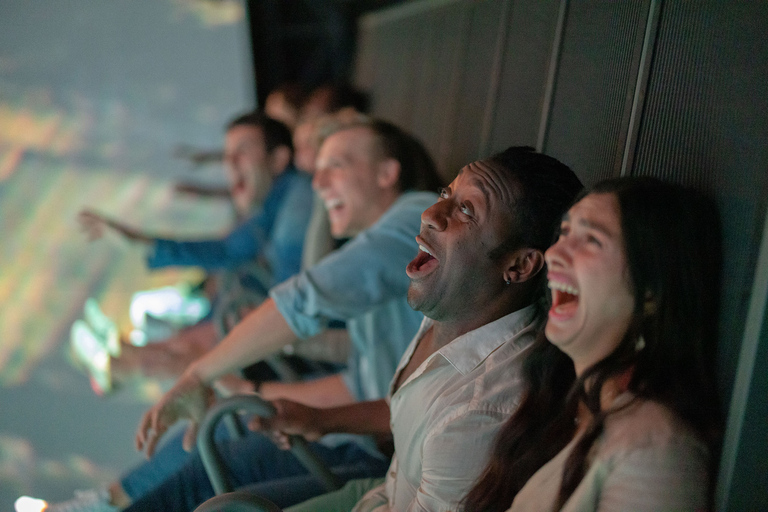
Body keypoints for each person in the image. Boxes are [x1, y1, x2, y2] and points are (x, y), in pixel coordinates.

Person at [70, 119, 441, 512]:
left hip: (385, 451)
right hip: (374, 436)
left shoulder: (413, 219)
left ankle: (104, 500)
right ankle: (105, 501)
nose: (317, 182)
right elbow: (362, 380)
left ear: (387, 173)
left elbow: (304, 298)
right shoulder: (390, 244)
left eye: (337, 165)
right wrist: (246, 392)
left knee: (211, 469)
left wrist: (199, 375)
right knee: (218, 446)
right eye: (318, 169)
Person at [260, 147, 583, 512]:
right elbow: (417, 415)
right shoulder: (455, 304)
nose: (430, 213)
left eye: (466, 210)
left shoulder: (481, 412)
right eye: (447, 194)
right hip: (380, 491)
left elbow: (446, 423)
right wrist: (321, 419)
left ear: (521, 264)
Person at [462, 177, 723, 512]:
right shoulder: (562, 400)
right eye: (565, 234)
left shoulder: (654, 449)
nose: (553, 253)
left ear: (651, 293)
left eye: (591, 240)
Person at [71, 112, 315, 392]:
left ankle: (122, 363)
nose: (230, 164)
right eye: (227, 155)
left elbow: (292, 311)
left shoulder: (297, 207)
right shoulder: (279, 203)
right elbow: (226, 250)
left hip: (289, 359)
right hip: (270, 339)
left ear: (279, 160)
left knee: (219, 323)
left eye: (243, 152)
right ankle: (123, 359)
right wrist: (139, 241)